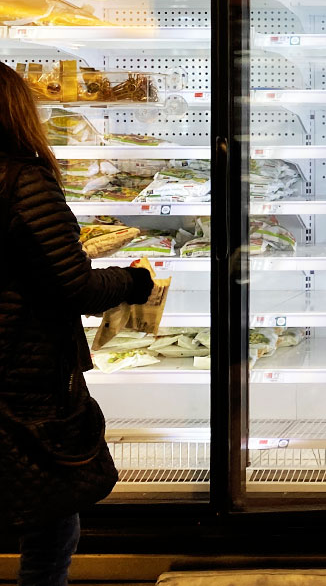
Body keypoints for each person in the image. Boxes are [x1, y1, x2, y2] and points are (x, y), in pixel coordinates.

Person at [0, 62, 153, 586]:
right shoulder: (22, 180)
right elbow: (74, 287)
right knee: (50, 520)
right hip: (21, 377)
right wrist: (134, 283)